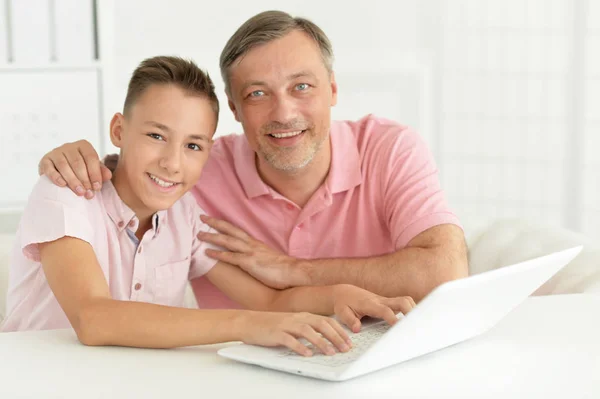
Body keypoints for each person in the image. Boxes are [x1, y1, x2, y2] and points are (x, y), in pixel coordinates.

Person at [38, 10, 468, 310]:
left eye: (302, 86)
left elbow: (445, 270)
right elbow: (143, 169)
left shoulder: (390, 149)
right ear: (234, 108)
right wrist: (76, 160)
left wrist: (292, 270)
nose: (283, 113)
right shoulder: (200, 170)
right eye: (257, 94)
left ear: (333, 90)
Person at [2, 56, 416, 357]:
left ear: (209, 152)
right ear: (119, 130)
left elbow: (268, 303)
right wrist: (248, 325)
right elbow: (94, 318)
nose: (172, 162)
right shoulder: (66, 193)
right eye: (156, 136)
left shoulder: (187, 217)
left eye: (193, 145)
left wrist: (343, 295)